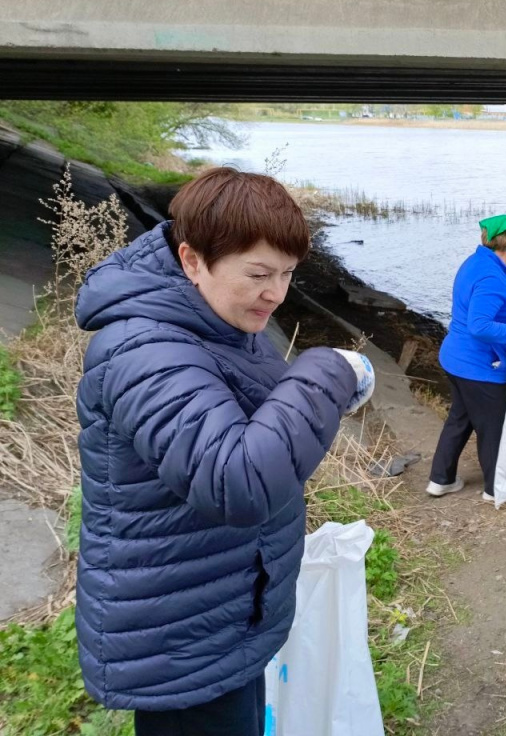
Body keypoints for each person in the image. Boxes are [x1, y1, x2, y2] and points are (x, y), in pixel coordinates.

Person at [74, 167, 375, 736]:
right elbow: (235, 479)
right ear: (191, 260)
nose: (276, 293)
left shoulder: (213, 315)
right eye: (259, 273)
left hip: (221, 609)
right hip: (180, 636)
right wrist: (328, 371)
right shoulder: (146, 350)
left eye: (287, 274)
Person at [426, 213, 506, 504]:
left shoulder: (475, 262)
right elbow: (480, 325)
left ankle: (441, 479)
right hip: (479, 367)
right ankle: (496, 489)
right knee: (493, 427)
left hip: (455, 358)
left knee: (460, 418)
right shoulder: (492, 279)